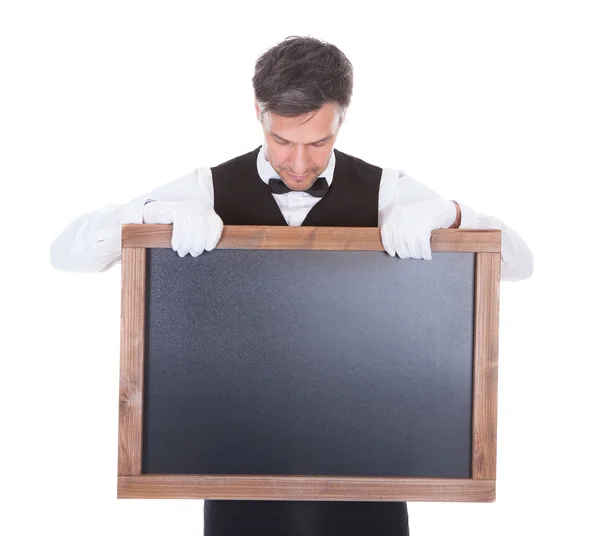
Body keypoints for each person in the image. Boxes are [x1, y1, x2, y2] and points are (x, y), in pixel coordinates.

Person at [50, 35, 533, 536]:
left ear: (341, 118)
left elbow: (521, 264)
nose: (299, 164)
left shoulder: (390, 190)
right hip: (236, 479)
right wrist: (148, 216)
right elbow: (65, 254)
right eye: (282, 141)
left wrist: (454, 216)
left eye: (318, 143)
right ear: (258, 112)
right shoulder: (205, 188)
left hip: (372, 481)